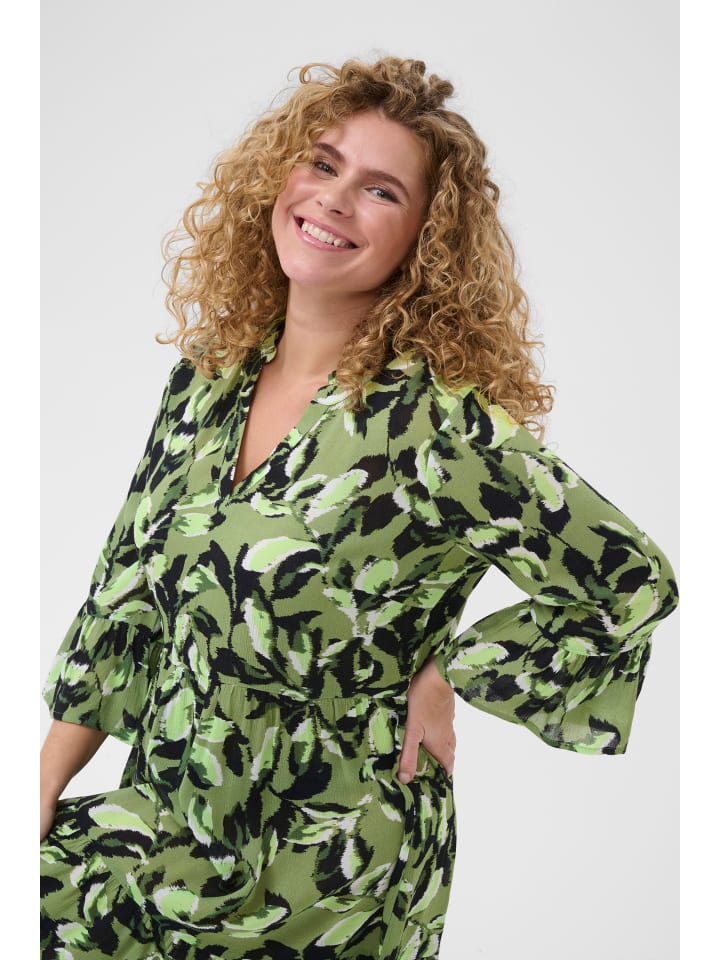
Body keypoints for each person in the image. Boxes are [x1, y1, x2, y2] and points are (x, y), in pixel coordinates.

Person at [40, 56, 678, 959]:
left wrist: (453, 674)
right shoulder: (205, 386)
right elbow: (123, 602)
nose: (334, 200)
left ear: (425, 238)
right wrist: (42, 785)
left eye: (380, 190)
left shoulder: (435, 427)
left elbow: (631, 578)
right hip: (171, 811)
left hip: (327, 855)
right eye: (322, 163)